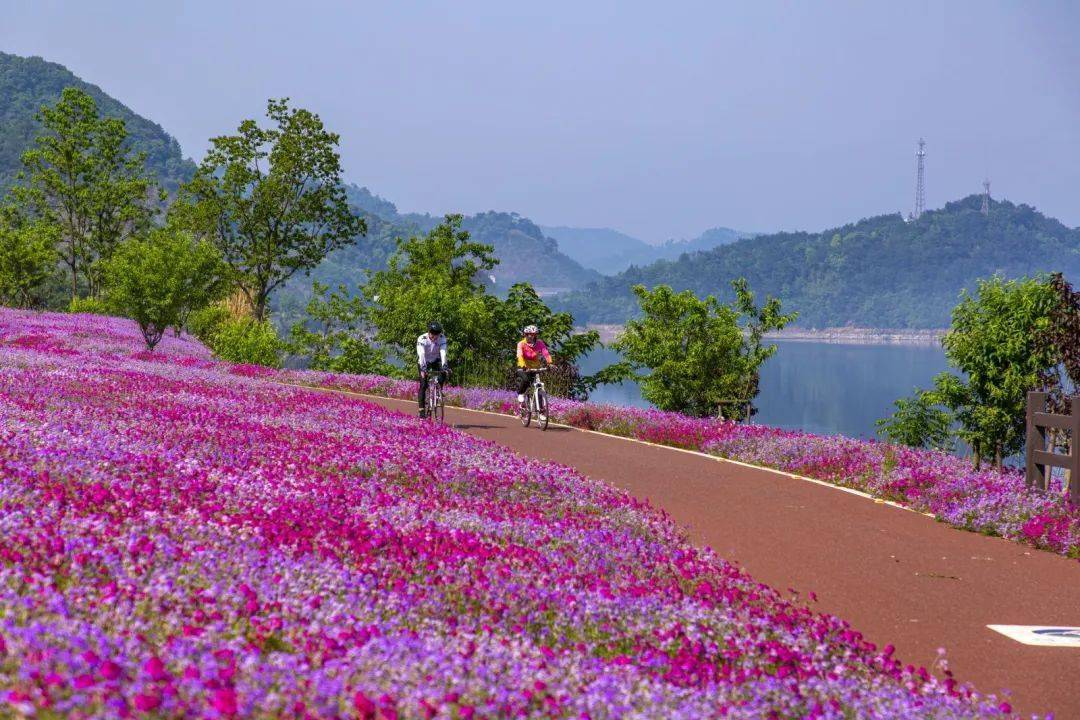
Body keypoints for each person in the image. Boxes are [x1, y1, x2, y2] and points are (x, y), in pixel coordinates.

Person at [515, 324, 552, 409]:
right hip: (523, 367)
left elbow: (546, 353)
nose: (531, 336)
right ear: (525, 335)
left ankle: (541, 410)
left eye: (534, 334)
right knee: (526, 380)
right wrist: (523, 366)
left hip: (535, 368)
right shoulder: (521, 344)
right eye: (529, 334)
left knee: (538, 386)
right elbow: (519, 356)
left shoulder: (539, 343)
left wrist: (550, 363)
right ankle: (521, 394)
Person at [417, 321, 448, 417]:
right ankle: (421, 410)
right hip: (424, 361)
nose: (434, 337)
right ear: (428, 332)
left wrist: (444, 365)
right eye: (432, 334)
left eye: (436, 335)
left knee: (444, 373)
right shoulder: (422, 339)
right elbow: (421, 353)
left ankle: (438, 390)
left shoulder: (442, 338)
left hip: (436, 360)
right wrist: (422, 368)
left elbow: (443, 352)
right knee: (423, 385)